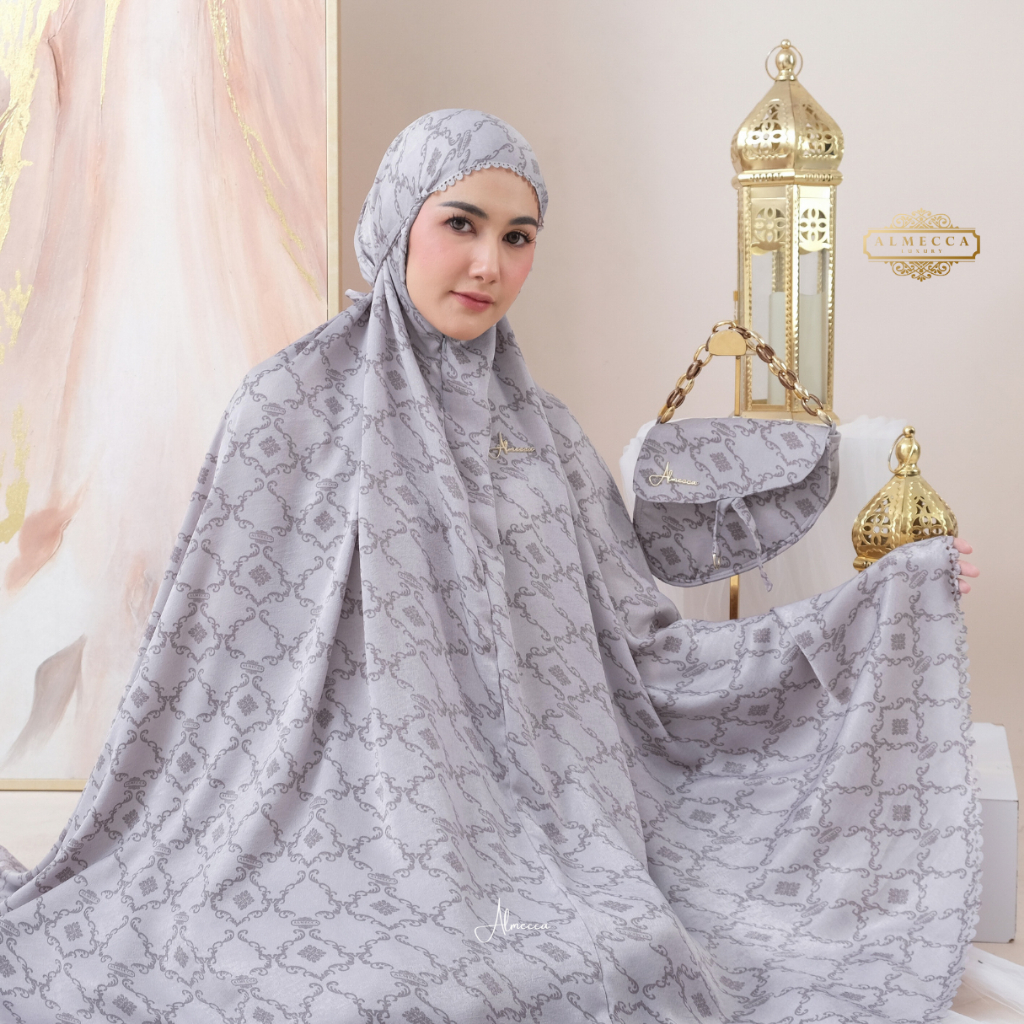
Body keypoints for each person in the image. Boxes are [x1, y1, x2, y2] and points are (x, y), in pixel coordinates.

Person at [0, 109, 980, 1023]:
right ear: (398, 220)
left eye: (518, 237)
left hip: (549, 839)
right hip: (315, 834)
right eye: (461, 224)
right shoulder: (283, 409)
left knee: (613, 956)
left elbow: (647, 654)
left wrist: (890, 596)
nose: (488, 264)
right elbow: (211, 675)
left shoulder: (545, 436)